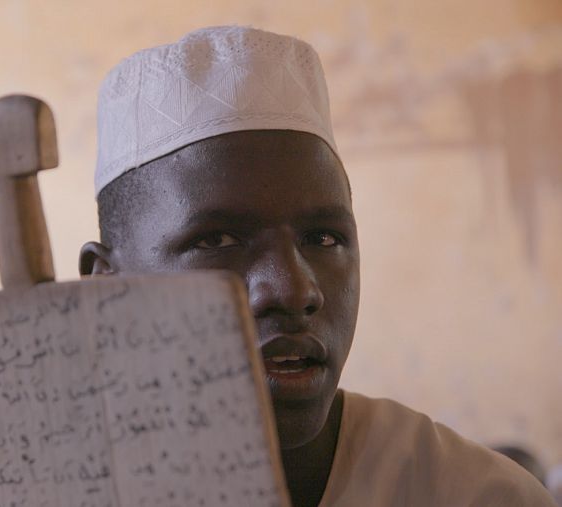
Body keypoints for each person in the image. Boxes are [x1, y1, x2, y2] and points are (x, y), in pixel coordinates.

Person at [79, 26, 555, 506]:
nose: (293, 290)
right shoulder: (42, 486)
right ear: (105, 288)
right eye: (218, 239)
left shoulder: (476, 495)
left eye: (323, 238)